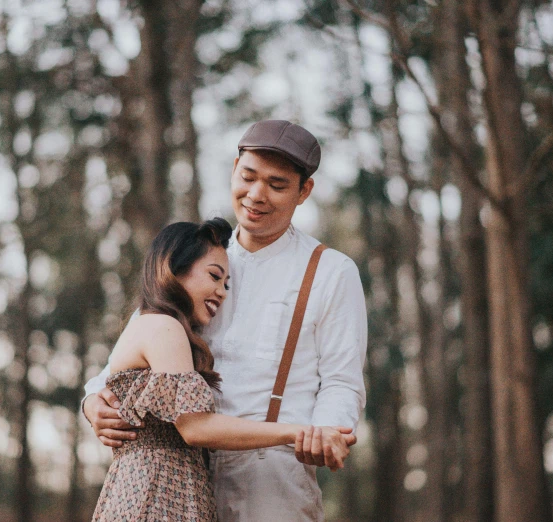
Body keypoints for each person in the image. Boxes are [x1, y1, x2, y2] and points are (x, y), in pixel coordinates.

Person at [84, 120, 368, 521]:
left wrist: (322, 433)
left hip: (271, 479)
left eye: (277, 184)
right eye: (248, 176)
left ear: (304, 191)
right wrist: (93, 402)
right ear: (234, 168)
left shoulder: (331, 272)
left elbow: (342, 381)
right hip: (177, 473)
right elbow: (141, 336)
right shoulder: (197, 254)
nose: (256, 194)